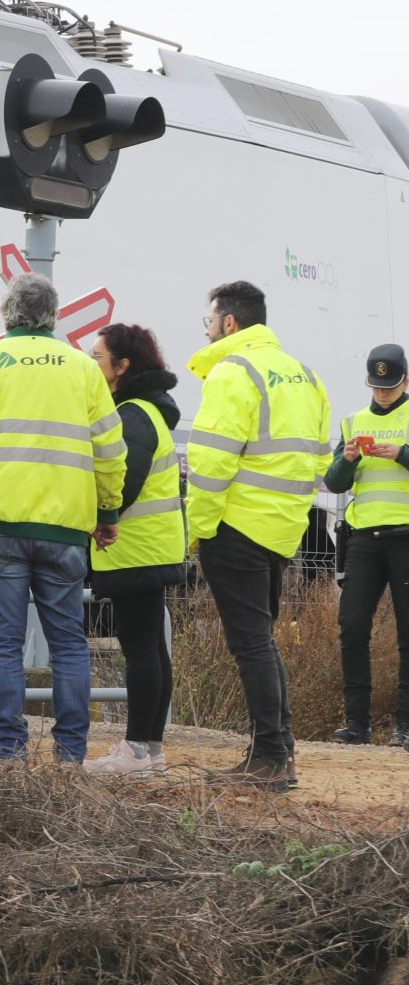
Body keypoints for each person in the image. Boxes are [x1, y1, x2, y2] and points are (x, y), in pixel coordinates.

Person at [0, 273, 122, 765]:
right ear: (53, 317)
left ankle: (10, 750)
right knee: (69, 644)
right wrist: (106, 511)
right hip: (65, 527)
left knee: (3, 642)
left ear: (5, 314)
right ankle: (70, 755)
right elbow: (110, 452)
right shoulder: (83, 369)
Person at [185, 279, 329, 790]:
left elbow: (208, 463)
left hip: (235, 525)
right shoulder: (304, 374)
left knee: (251, 644)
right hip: (280, 529)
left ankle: (269, 756)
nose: (205, 331)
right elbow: (319, 460)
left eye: (208, 321)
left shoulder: (232, 372)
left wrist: (198, 529)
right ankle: (277, 751)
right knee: (260, 642)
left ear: (229, 323)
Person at [81, 322, 189, 777]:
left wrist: (101, 518)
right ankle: (151, 749)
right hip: (152, 546)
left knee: (141, 647)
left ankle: (136, 751)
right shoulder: (146, 411)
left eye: (97, 357)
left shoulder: (132, 414)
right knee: (151, 648)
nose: (90, 364)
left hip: (135, 547)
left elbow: (124, 482)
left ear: (122, 366)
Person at [327, 343, 409, 746]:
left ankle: (404, 727)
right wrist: (347, 459)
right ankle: (357, 724)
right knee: (353, 626)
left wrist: (403, 453)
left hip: (407, 538)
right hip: (364, 539)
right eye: (377, 386)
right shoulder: (353, 421)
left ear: (406, 381)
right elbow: (334, 482)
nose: (382, 393)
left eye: (390, 387)